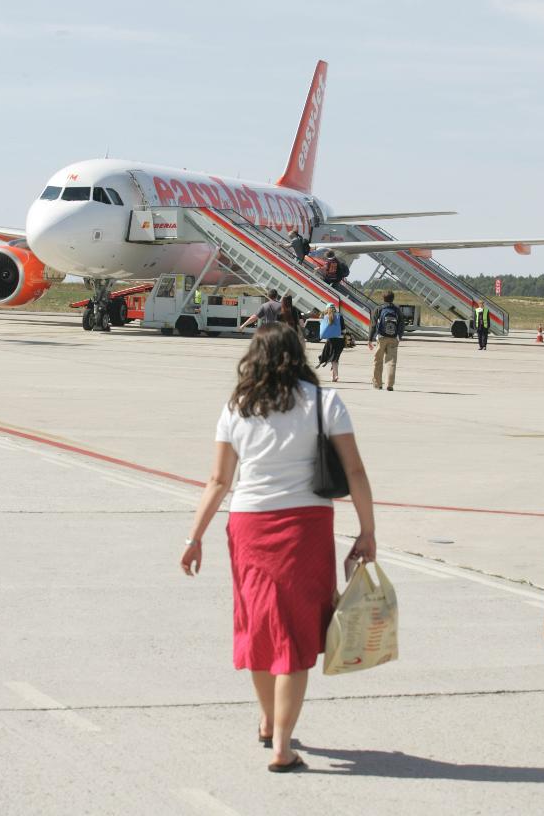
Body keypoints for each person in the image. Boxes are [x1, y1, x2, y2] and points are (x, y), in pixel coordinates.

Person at [180, 324, 375, 773]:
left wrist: (194, 538)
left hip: (248, 526)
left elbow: (218, 481)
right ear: (297, 354)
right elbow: (356, 471)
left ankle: (268, 721)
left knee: (260, 626)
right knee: (297, 633)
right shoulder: (324, 403)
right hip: (305, 528)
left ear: (255, 356)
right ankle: (282, 746)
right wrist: (368, 531)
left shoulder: (237, 407)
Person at [368, 291, 405, 391]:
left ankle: (377, 384)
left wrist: (370, 339)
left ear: (383, 298)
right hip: (393, 338)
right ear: (393, 298)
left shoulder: (379, 309)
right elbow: (402, 324)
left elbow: (373, 325)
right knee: (391, 362)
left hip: (381, 337)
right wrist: (399, 337)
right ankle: (390, 384)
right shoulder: (397, 309)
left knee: (378, 361)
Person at [316, 302, 346, 382]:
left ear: (327, 309)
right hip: (340, 340)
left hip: (331, 340)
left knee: (333, 358)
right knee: (335, 358)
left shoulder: (325, 317)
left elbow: (322, 328)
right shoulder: (340, 316)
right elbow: (344, 329)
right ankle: (334, 376)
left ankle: (335, 375)